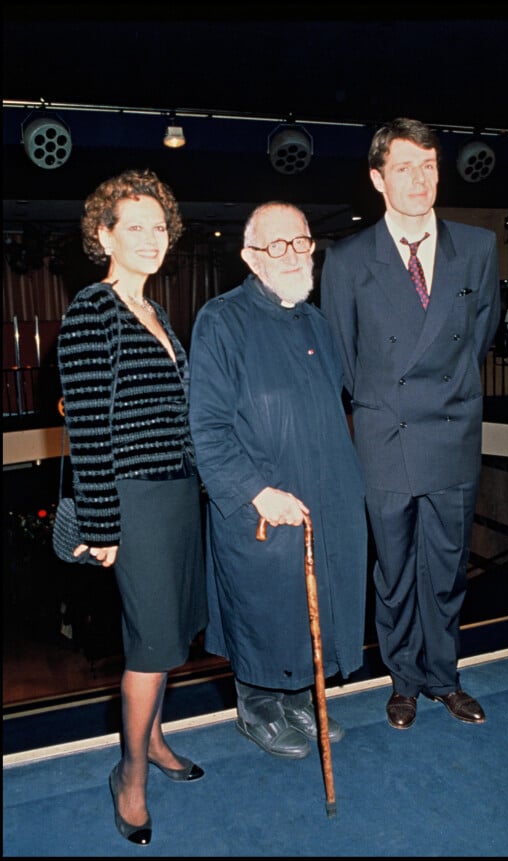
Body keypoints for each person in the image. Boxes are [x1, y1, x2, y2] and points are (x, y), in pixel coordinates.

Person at [321, 118, 501, 730]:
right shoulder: (346, 260)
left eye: (428, 165)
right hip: (385, 435)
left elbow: (476, 341)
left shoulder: (476, 247)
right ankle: (402, 680)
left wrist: (447, 396)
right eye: (404, 167)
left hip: (452, 431)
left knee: (448, 568)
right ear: (378, 178)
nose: (419, 179)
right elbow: (344, 360)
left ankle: (444, 677)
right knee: (394, 571)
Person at [57, 168, 207, 845]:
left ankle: (157, 739)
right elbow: (88, 426)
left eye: (159, 227)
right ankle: (132, 776)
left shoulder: (156, 312)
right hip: (133, 503)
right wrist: (101, 524)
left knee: (170, 635)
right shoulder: (94, 309)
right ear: (103, 234)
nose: (151, 238)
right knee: (148, 646)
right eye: (134, 226)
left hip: (176, 494)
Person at [188, 201, 367, 759]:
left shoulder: (316, 320)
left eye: (300, 242)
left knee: (307, 607)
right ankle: (259, 709)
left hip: (324, 494)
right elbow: (206, 428)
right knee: (264, 606)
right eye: (275, 245)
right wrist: (258, 493)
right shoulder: (221, 320)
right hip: (260, 499)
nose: (291, 255)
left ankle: (298, 701)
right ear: (250, 257)